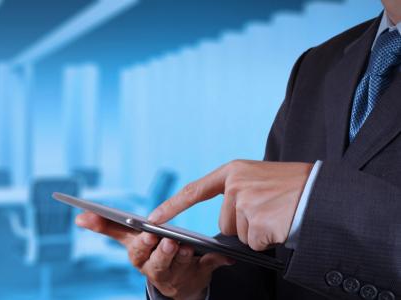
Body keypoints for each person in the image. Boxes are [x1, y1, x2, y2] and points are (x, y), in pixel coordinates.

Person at [75, 0, 401, 299]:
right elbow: (275, 256)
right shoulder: (320, 63)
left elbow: (312, 208)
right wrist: (195, 283)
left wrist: (315, 202)